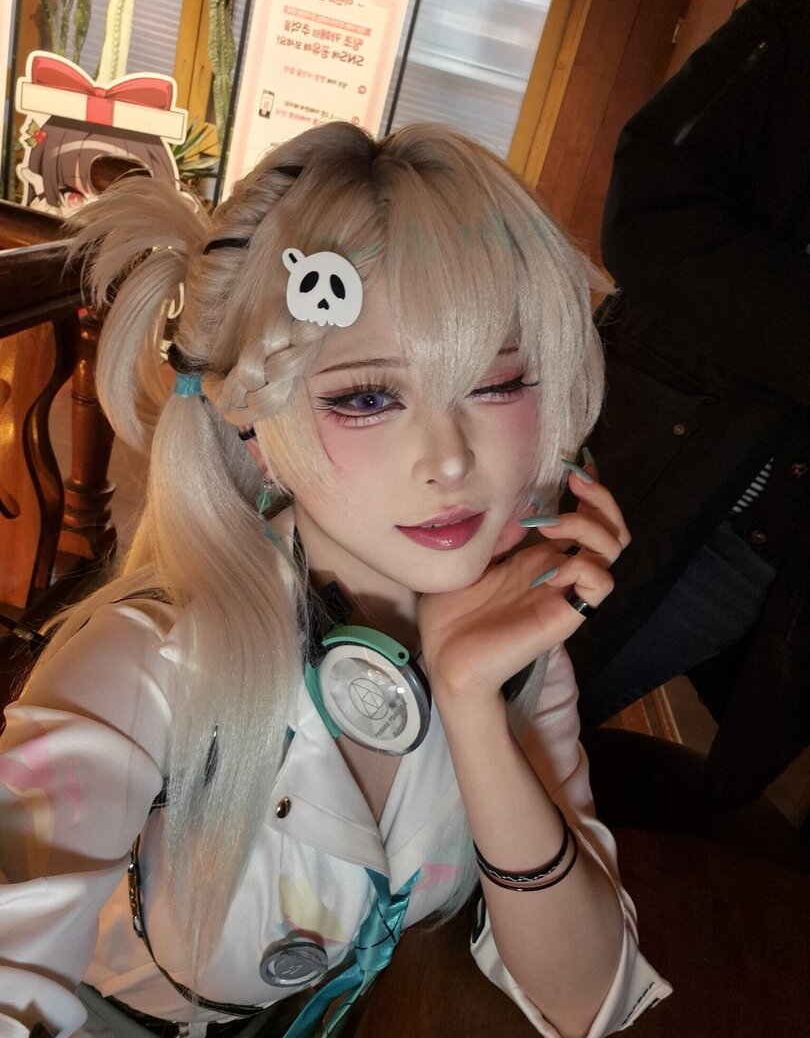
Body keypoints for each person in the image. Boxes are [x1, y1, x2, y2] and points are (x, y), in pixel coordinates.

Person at [0, 122, 671, 1038]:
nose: (449, 461)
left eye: (496, 384)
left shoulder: (516, 654)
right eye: (367, 397)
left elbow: (587, 999)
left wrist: (471, 704)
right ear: (255, 429)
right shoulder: (144, 665)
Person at [567, 0, 810, 812]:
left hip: (769, 562)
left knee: (549, 738)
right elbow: (647, 212)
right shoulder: (801, 18)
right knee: (466, 707)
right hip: (635, 463)